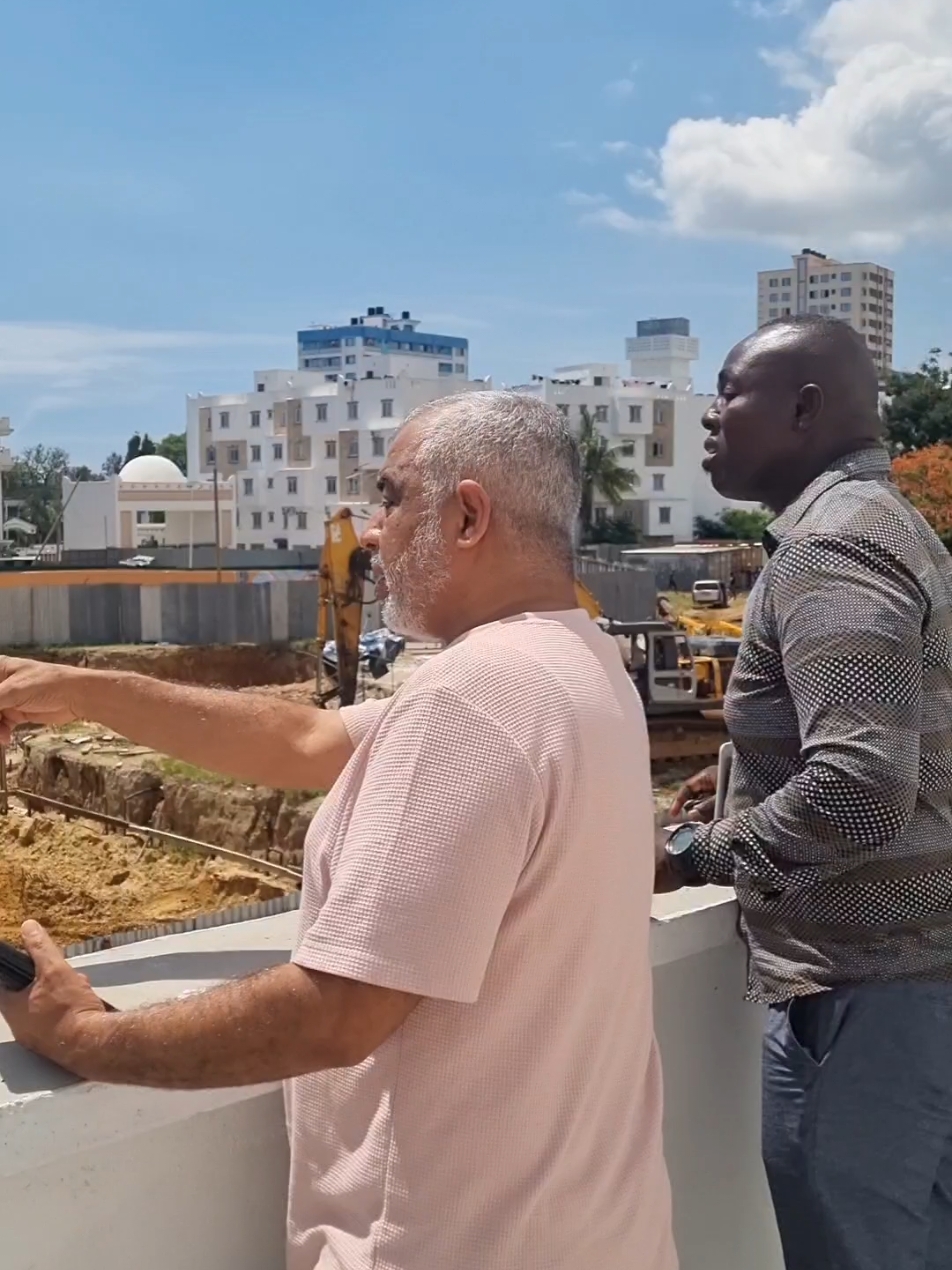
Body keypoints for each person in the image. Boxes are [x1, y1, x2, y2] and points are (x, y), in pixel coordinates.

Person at [0, 392, 676, 1270]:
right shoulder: (580, 663)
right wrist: (81, 689)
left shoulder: (473, 698)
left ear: (468, 515)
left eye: (391, 499)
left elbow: (338, 1012)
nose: (371, 532)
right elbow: (307, 738)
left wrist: (84, 1037)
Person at [658, 315, 952, 1270]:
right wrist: (742, 779)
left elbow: (862, 786)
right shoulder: (878, 525)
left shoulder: (834, 546)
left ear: (805, 409)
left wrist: (690, 855)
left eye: (732, 392)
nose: (710, 416)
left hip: (871, 1001)